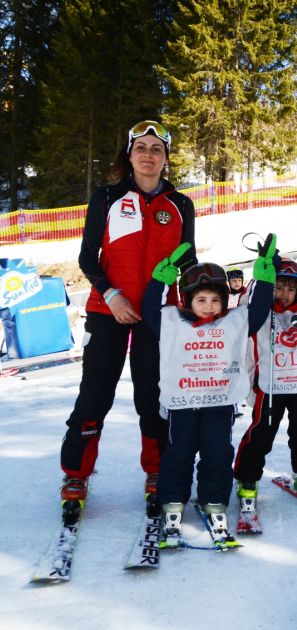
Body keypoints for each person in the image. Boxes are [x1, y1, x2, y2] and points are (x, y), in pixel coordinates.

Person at [59, 120, 196, 518]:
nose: (149, 154)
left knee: (153, 397)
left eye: (157, 148)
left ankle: (157, 472)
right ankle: (75, 473)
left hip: (159, 314)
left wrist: (184, 281)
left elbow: (187, 258)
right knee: (95, 395)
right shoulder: (106, 197)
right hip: (109, 312)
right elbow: (87, 258)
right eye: (141, 147)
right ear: (129, 153)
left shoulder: (180, 204)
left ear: (166, 158)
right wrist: (112, 294)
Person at [142, 236, 276, 546]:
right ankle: (172, 502)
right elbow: (151, 310)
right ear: (187, 301)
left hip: (219, 403)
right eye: (201, 300)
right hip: (183, 403)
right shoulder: (173, 321)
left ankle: (214, 500)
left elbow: (256, 311)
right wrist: (161, 280)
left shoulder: (233, 322)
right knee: (179, 454)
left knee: (218, 454)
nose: (209, 306)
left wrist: (265, 277)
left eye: (215, 300)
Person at [233, 258, 297, 516]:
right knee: (261, 433)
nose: (284, 293)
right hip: (270, 386)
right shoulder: (260, 312)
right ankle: (248, 476)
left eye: (290, 288)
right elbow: (245, 303)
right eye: (278, 286)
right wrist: (261, 279)